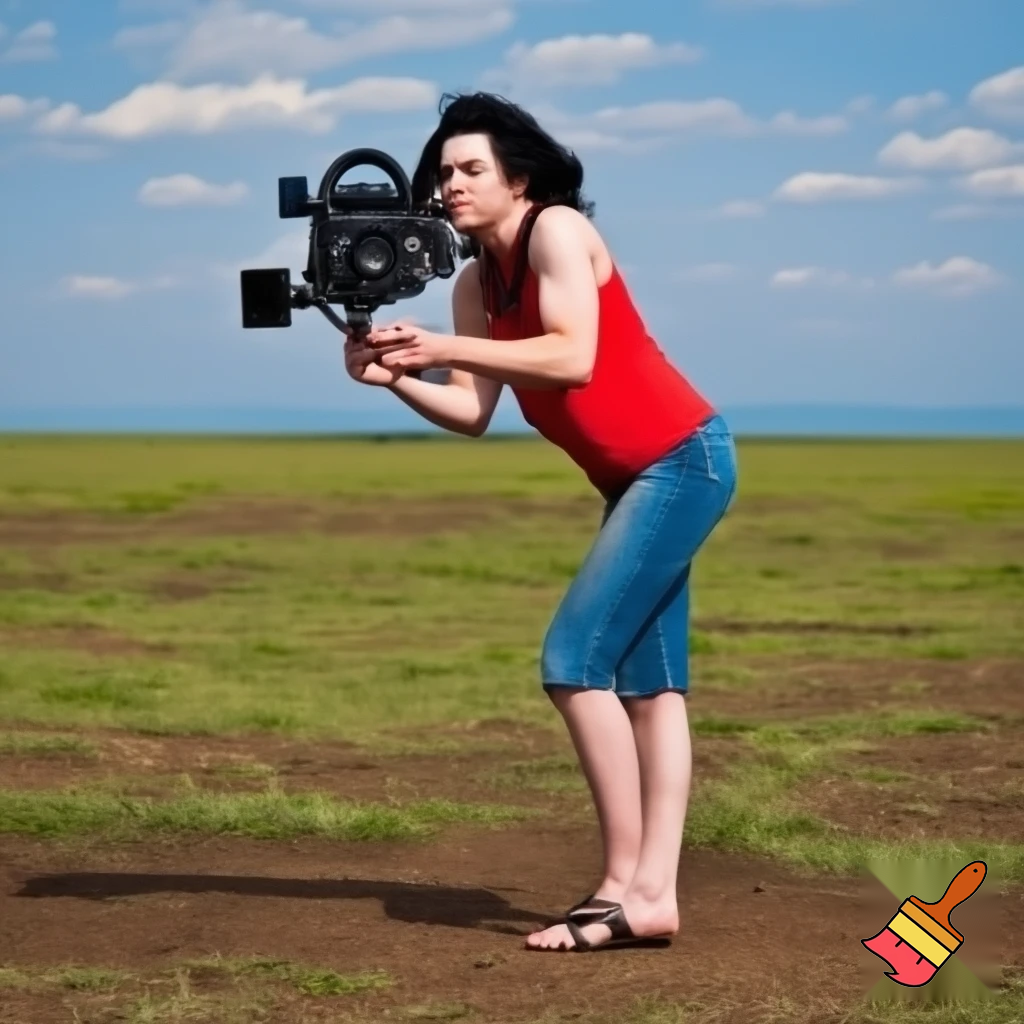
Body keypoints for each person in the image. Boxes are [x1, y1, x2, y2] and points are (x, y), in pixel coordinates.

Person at [342, 92, 738, 953]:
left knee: (573, 661)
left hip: (682, 460)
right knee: (649, 688)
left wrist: (443, 349)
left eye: (471, 168)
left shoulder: (556, 229)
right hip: (631, 480)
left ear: (518, 178)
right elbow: (474, 411)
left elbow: (571, 356)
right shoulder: (476, 284)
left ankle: (619, 887)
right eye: (443, 171)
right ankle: (652, 897)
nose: (451, 184)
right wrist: (395, 378)